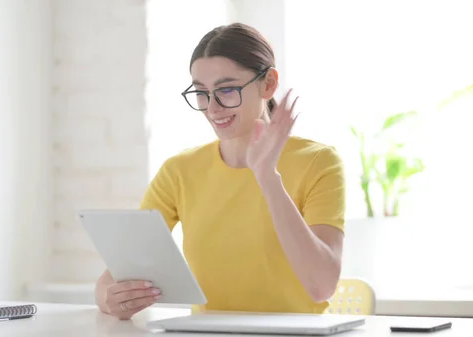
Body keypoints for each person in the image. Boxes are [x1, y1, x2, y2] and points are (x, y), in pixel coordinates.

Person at [95, 23, 346, 320]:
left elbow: (321, 286)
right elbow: (111, 279)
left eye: (227, 89)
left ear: (268, 84)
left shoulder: (318, 162)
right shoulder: (179, 171)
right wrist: (109, 299)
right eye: (201, 93)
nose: (212, 109)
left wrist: (267, 177)